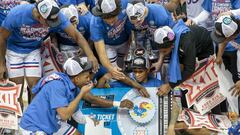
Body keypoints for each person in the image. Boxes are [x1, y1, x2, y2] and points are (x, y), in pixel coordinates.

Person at [0, 0, 98, 104]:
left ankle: (34, 117)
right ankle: (19, 118)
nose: (52, 24)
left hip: (33, 50)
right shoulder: (18, 13)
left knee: (35, 88)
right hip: (14, 50)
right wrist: (1, 64)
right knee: (17, 90)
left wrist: (91, 55)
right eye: (49, 22)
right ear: (40, 17)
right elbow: (1, 38)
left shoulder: (57, 15)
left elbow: (77, 36)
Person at [19, 57, 96, 134]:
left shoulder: (72, 86)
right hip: (34, 127)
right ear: (77, 79)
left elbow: (78, 115)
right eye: (87, 77)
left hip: (52, 123)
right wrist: (82, 93)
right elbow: (64, 115)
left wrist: (92, 120)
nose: (89, 80)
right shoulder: (57, 85)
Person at [152, 20, 214, 96]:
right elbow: (162, 50)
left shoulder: (186, 42)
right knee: (181, 72)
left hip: (204, 48)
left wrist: (169, 85)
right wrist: (160, 62)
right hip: (190, 44)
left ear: (172, 46)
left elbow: (190, 69)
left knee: (202, 78)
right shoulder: (170, 35)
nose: (162, 53)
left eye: (164, 51)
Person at [90, 0, 130, 80]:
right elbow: (101, 54)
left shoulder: (126, 3)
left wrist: (130, 44)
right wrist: (111, 69)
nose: (111, 23)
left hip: (125, 40)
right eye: (106, 18)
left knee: (124, 66)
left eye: (113, 18)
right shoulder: (95, 23)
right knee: (114, 71)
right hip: (108, 45)